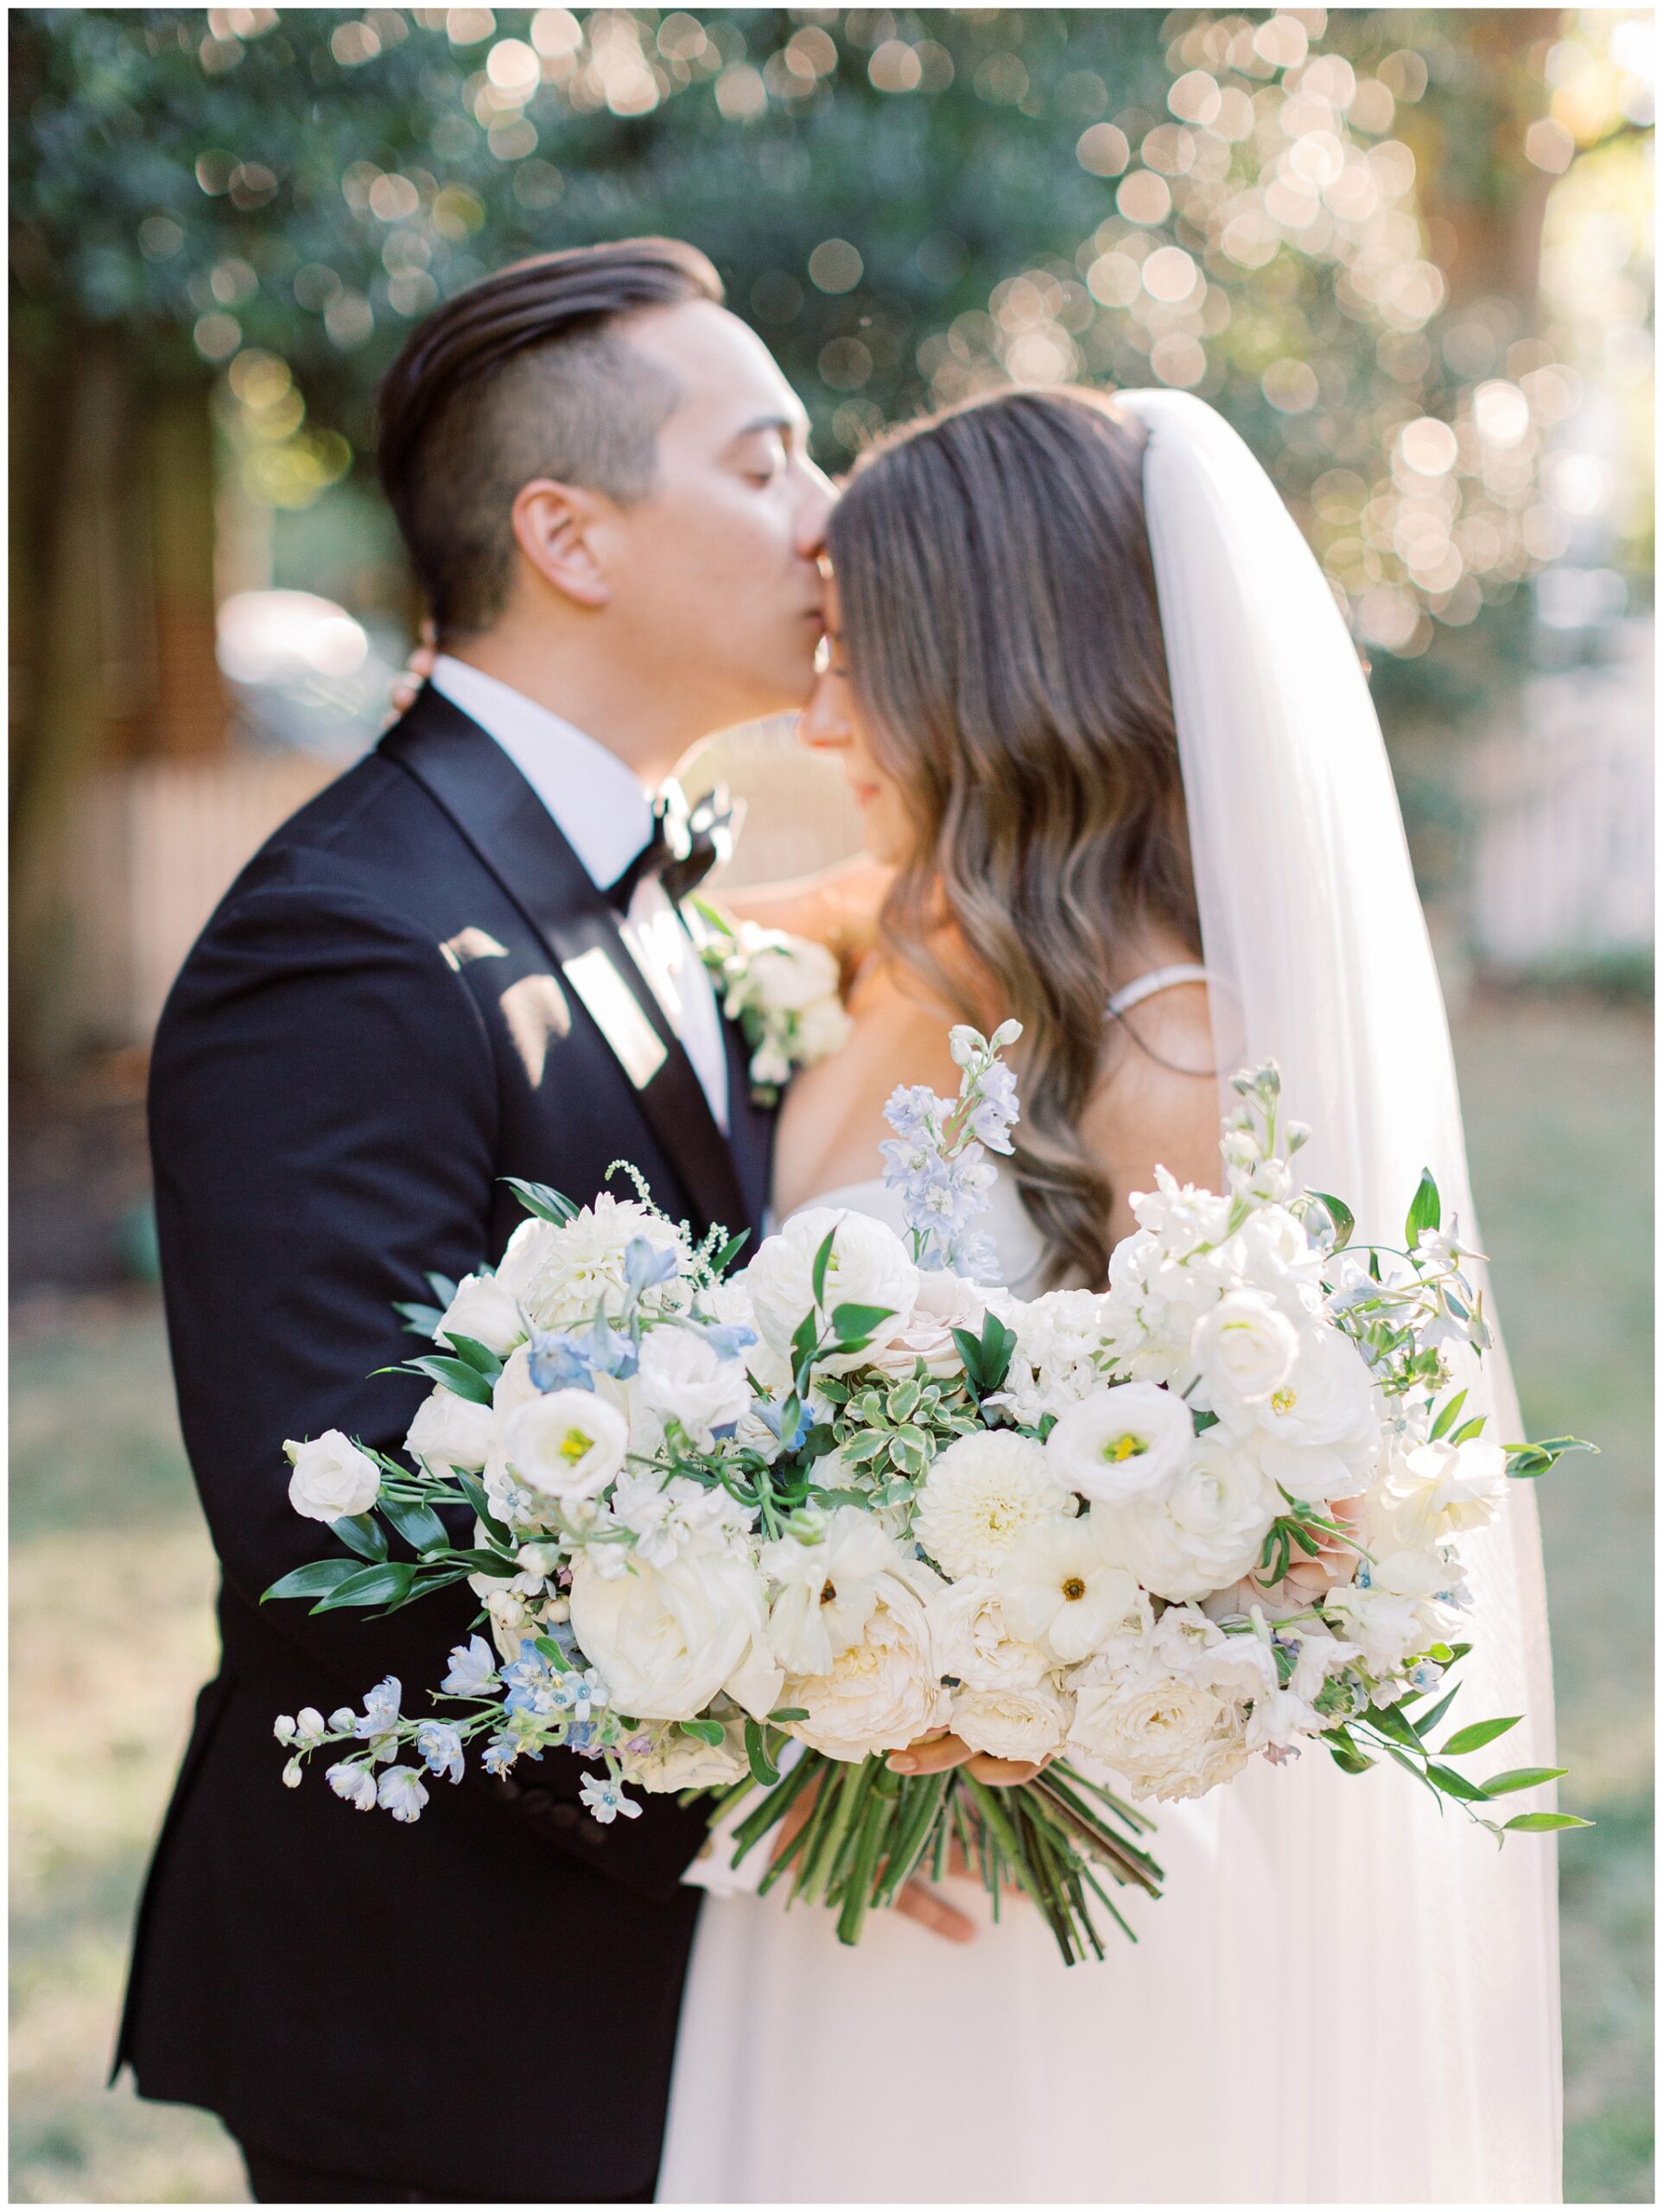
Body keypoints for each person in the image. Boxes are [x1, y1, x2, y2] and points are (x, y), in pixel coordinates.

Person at [657, 387, 1562, 2202]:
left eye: (859, 653)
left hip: (1035, 1887)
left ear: (993, 668)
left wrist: (953, 1711)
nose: (818, 707)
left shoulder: (1177, 1056)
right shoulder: (910, 934)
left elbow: (1274, 1526)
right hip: (844, 1857)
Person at [116, 238, 844, 2205]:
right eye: (767, 460)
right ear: (569, 535)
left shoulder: (655, 878)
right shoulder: (347, 936)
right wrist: (788, 1814)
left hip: (689, 1976)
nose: (828, 510)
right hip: (464, 2003)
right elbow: (336, 1534)